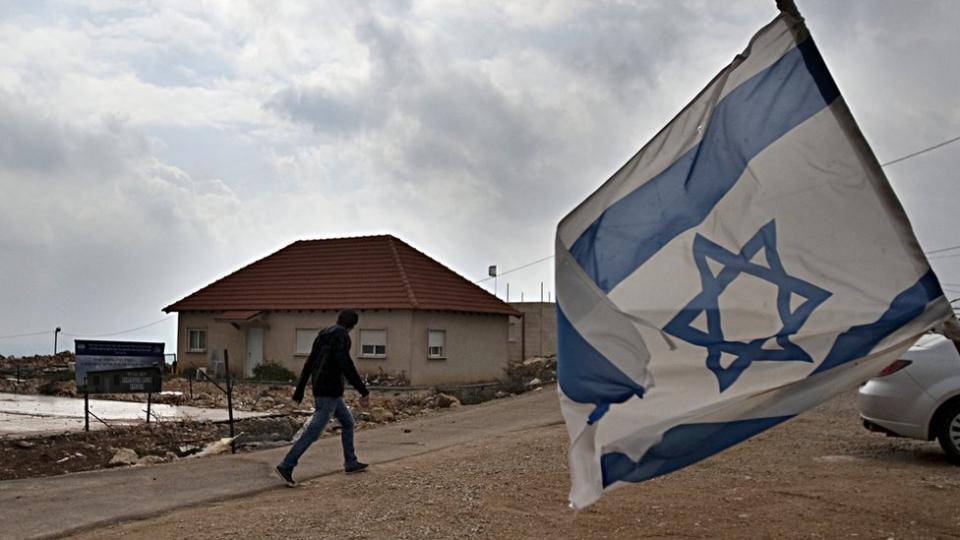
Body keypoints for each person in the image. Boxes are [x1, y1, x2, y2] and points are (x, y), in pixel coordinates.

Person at [276, 309, 370, 487]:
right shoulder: (342, 336)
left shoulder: (323, 334)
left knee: (348, 422)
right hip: (330, 390)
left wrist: (300, 389)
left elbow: (310, 362)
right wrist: (362, 390)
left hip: (321, 387)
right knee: (313, 431)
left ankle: (351, 462)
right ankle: (286, 465)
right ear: (352, 325)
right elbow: (345, 364)